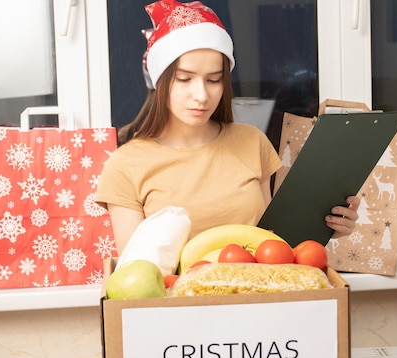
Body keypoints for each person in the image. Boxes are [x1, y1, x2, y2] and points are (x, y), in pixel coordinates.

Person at [95, 0, 360, 255]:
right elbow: (134, 271)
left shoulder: (252, 142)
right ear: (160, 81)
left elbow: (275, 241)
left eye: (213, 80)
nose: (201, 95)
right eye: (185, 79)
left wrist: (328, 226)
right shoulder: (126, 165)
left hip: (261, 295)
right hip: (178, 299)